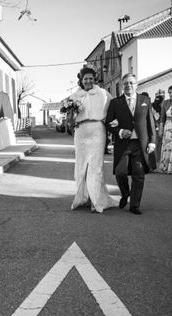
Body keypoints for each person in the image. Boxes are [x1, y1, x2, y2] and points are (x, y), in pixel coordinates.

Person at [69, 66, 118, 213]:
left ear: (95, 79)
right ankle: (83, 197)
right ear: (81, 80)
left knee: (95, 167)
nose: (88, 81)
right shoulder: (75, 96)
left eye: (91, 78)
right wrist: (70, 115)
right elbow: (70, 118)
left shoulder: (103, 94)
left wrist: (115, 126)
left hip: (97, 131)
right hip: (81, 133)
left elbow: (113, 109)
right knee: (81, 166)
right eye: (85, 79)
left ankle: (96, 200)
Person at [105, 73, 156, 215]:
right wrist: (120, 131)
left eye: (131, 83)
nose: (128, 85)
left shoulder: (145, 100)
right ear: (122, 86)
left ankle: (135, 205)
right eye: (126, 83)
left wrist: (152, 141)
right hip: (123, 144)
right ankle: (125, 193)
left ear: (136, 85)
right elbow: (108, 123)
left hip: (140, 144)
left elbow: (151, 123)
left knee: (138, 174)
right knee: (120, 171)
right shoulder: (115, 102)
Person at [151, 94, 164, 171]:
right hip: (157, 128)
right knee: (158, 144)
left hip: (153, 128)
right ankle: (157, 159)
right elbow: (157, 119)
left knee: (155, 144)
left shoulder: (151, 106)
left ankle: (156, 159)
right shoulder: (159, 109)